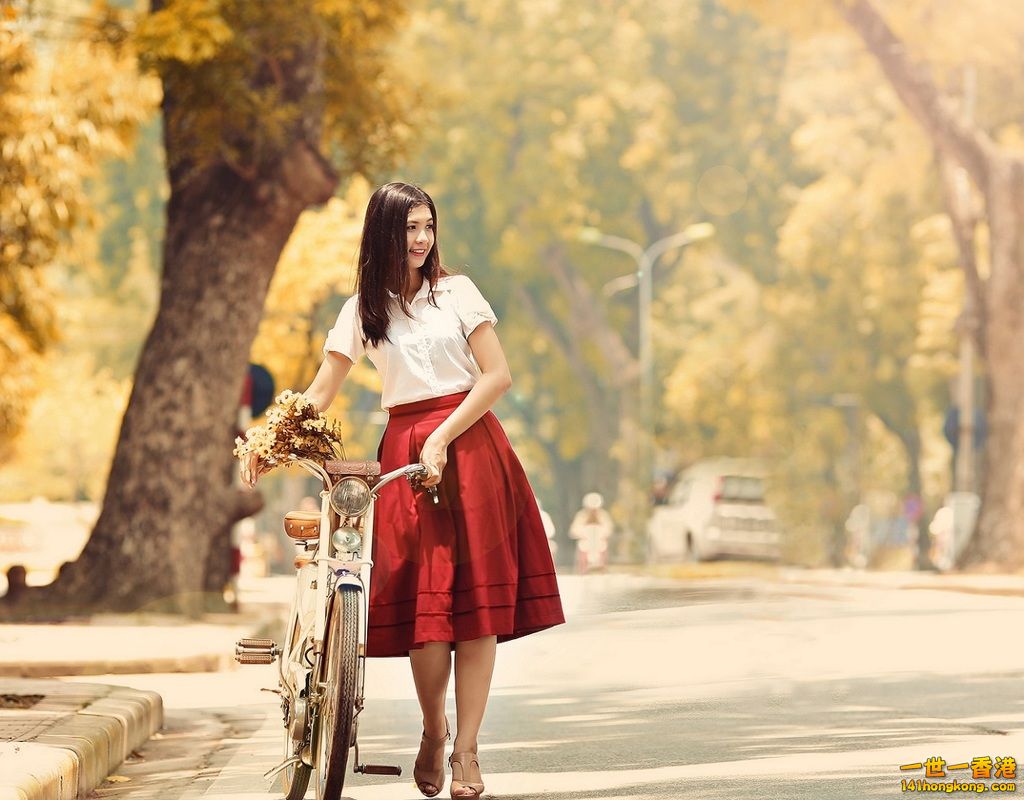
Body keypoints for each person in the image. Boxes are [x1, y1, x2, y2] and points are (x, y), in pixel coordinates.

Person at [241, 181, 564, 799]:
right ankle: (431, 726)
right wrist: (267, 443)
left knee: (477, 614)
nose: (421, 240)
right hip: (403, 450)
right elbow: (321, 390)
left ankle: (466, 751)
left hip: (469, 444)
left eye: (428, 227)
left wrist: (440, 438)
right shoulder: (362, 308)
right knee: (428, 612)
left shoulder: (457, 293)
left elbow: (497, 376)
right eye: (409, 228)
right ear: (384, 233)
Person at [569, 492, 614, 573]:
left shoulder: (603, 515)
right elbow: (574, 530)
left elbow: (608, 529)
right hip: (586, 542)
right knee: (582, 546)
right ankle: (584, 568)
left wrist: (600, 533)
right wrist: (584, 533)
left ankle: (602, 567)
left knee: (603, 545)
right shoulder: (581, 516)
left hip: (599, 542)